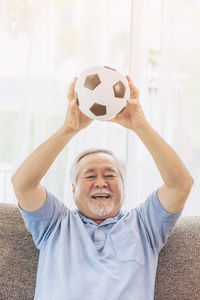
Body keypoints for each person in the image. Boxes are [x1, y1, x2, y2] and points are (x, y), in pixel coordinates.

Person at [11, 76, 194, 300]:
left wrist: (140, 125)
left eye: (110, 174)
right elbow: (23, 184)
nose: (100, 182)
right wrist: (69, 128)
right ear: (73, 188)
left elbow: (181, 185)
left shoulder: (145, 225)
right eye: (89, 175)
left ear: (124, 187)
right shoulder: (55, 224)